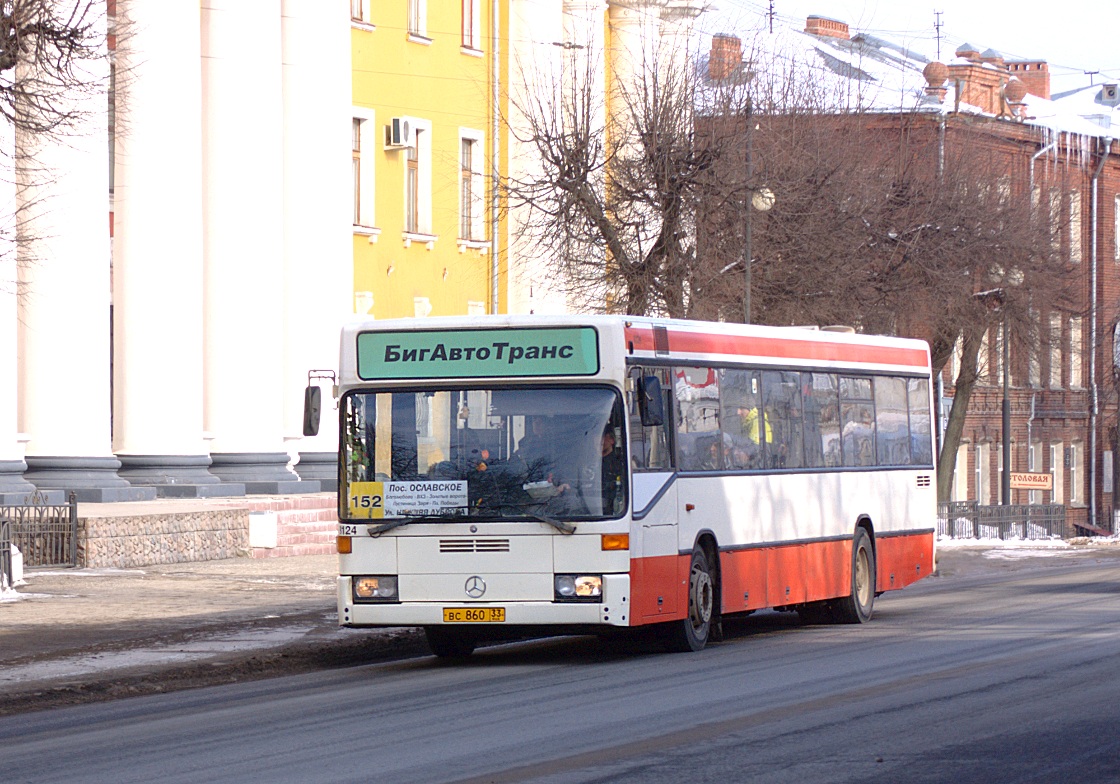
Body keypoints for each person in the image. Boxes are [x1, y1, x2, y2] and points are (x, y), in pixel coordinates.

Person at [600, 425, 625, 515]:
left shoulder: (620, 463)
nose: (598, 441)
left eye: (601, 437)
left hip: (613, 510)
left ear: (612, 440)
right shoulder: (588, 462)